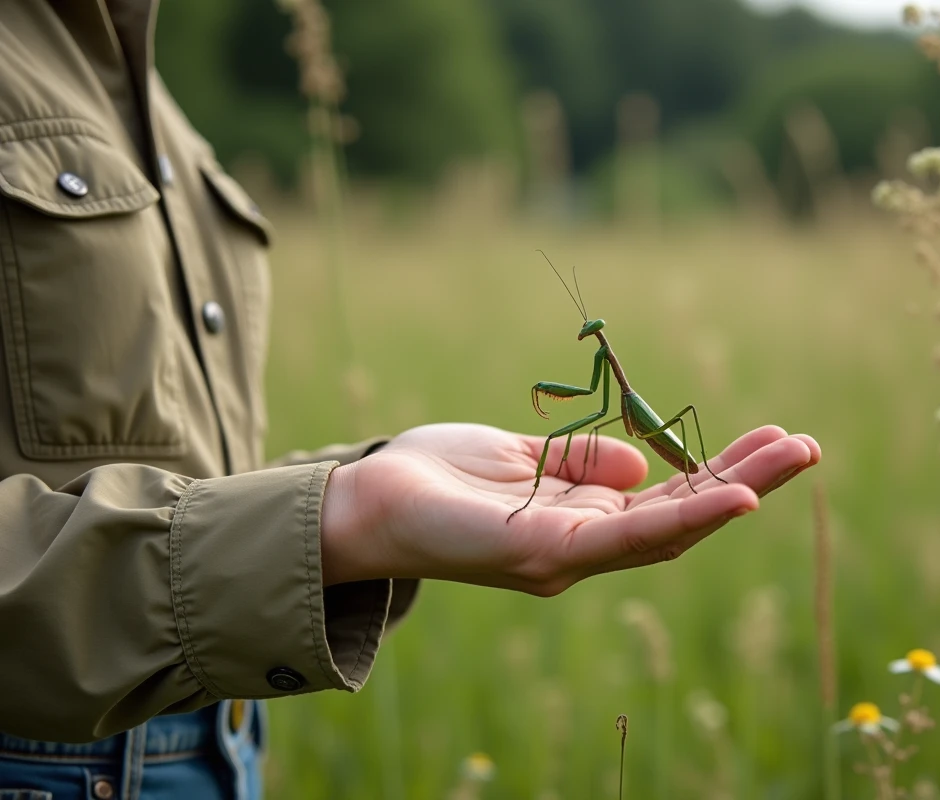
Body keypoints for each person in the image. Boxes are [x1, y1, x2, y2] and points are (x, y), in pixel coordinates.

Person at [0, 1, 822, 798]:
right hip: (56, 757)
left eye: (593, 330)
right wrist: (348, 513)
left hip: (216, 737)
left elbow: (196, 475)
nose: (590, 337)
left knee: (644, 429)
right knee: (592, 427)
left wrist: (348, 491)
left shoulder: (147, 88)